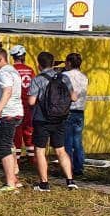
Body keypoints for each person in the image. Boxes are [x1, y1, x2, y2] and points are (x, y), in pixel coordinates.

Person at [26, 52, 78, 191]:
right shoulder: (64, 78)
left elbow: (31, 101)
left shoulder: (38, 79)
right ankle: (70, 181)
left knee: (40, 151)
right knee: (61, 150)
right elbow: (74, 97)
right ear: (53, 62)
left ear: (39, 65)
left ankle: (44, 184)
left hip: (42, 119)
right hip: (60, 118)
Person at [0, 48, 24, 192]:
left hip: (7, 114)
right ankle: (14, 178)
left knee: (3, 147)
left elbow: (7, 91)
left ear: (0, 59)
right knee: (10, 145)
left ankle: (10, 183)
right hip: (14, 112)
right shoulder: (12, 71)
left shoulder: (3, 73)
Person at [62, 53, 89, 178]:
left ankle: (68, 167)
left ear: (69, 63)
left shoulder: (65, 75)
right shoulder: (84, 77)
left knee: (67, 140)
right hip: (80, 111)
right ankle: (79, 166)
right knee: (77, 140)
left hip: (68, 110)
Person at [9, 45, 37, 161]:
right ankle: (32, 159)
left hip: (15, 106)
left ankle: (17, 159)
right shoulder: (30, 70)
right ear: (23, 56)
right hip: (29, 106)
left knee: (17, 132)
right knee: (29, 131)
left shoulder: (10, 70)